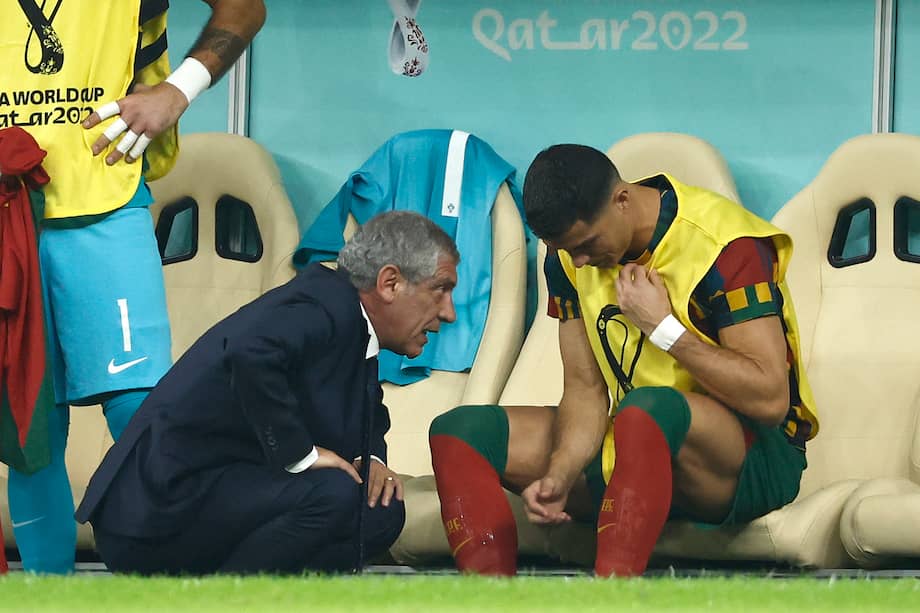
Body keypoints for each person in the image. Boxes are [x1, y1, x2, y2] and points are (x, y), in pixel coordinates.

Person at [428, 144, 819, 576]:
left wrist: (664, 328)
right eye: (565, 250)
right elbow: (584, 390)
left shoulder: (727, 247)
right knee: (460, 431)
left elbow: (769, 399)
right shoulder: (567, 259)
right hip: (632, 447)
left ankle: (611, 597)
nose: (579, 261)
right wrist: (560, 473)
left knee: (647, 409)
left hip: (747, 462)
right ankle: (488, 603)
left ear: (623, 200)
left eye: (586, 244)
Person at [1, 0, 266, 573]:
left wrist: (178, 89)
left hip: (103, 202)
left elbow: (244, 6)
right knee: (31, 430)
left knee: (143, 416)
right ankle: (51, 602)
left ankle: (175, 588)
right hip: (5, 209)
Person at [75, 211, 459, 575]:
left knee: (378, 509)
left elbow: (368, 408)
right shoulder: (322, 305)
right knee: (334, 495)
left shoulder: (351, 323)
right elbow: (250, 354)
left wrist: (370, 457)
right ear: (389, 283)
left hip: (210, 498)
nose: (449, 313)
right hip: (156, 512)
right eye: (440, 290)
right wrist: (301, 455)